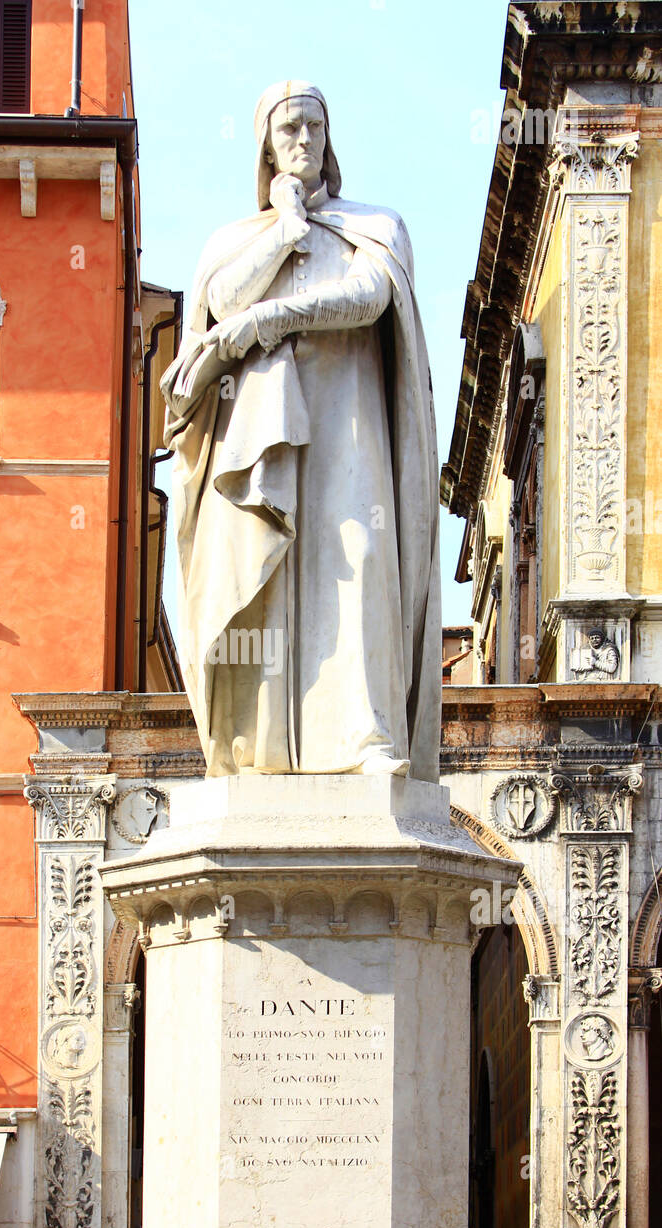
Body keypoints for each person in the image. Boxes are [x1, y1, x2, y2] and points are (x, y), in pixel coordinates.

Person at [162, 81, 441, 781]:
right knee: (267, 576)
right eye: (288, 129)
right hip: (258, 432)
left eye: (315, 126)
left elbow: (369, 296)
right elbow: (222, 301)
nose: (304, 141)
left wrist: (272, 320)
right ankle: (264, 749)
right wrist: (285, 234)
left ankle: (365, 738)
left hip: (350, 425)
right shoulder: (234, 242)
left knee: (361, 557)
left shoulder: (374, 225)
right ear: (264, 146)